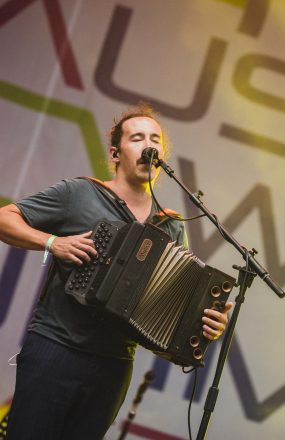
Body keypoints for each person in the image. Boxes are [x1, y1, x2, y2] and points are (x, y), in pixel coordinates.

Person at [0, 103, 233, 440]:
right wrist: (53, 242)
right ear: (115, 152)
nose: (148, 145)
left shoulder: (169, 226)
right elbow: (5, 217)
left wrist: (205, 323)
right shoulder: (79, 193)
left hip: (113, 365)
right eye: (137, 138)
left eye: (155, 139)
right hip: (56, 348)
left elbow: (168, 308)